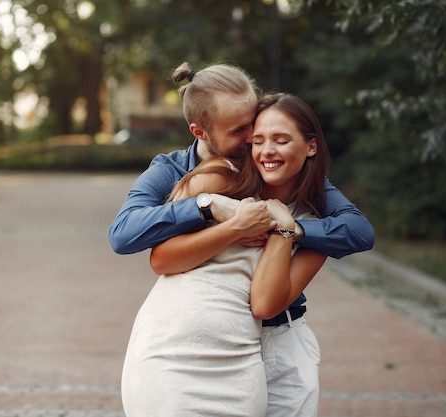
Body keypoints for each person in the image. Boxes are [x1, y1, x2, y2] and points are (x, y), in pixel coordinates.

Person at [109, 62, 375, 416]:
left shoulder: (308, 197)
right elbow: (127, 236)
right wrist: (210, 209)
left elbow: (359, 231)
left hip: (276, 336)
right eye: (244, 131)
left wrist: (291, 228)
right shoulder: (188, 174)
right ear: (200, 132)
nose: (255, 139)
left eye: (259, 124)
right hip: (185, 350)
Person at [121, 144, 326, 416]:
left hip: (243, 362)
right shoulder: (217, 179)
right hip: (169, 355)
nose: (267, 150)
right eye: (259, 138)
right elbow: (159, 259)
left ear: (310, 146)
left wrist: (284, 229)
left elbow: (264, 304)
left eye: (282, 139)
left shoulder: (319, 225)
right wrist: (232, 225)